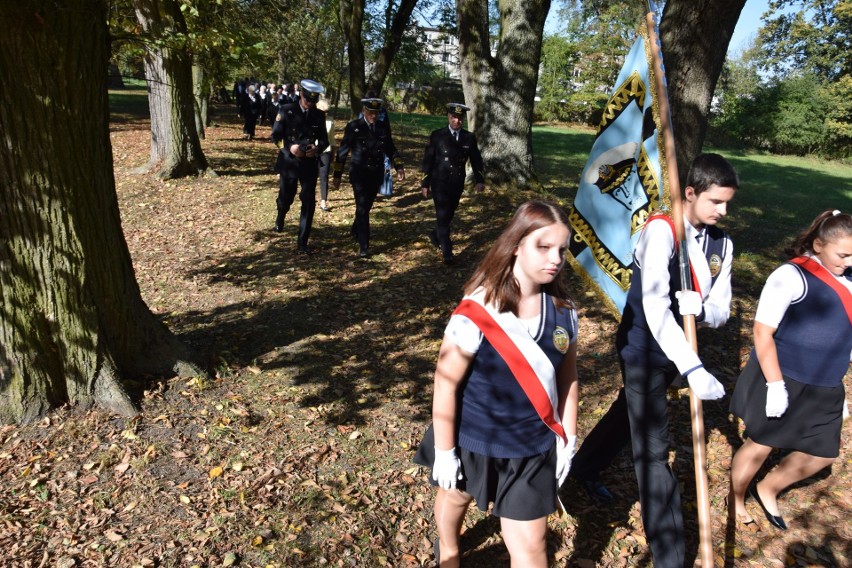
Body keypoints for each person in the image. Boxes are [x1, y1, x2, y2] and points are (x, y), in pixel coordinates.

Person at [569, 153, 738, 567]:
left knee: (632, 411)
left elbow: (723, 308)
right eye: (716, 201)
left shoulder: (722, 244)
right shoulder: (661, 232)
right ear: (691, 192)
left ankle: (585, 466)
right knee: (653, 450)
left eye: (728, 203)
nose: (724, 211)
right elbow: (656, 309)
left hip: (680, 353)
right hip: (644, 347)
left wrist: (701, 307)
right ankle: (671, 556)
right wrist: (693, 367)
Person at [413, 200, 580, 568]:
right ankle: (450, 548)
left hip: (531, 448)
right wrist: (444, 450)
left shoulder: (565, 311)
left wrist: (568, 437)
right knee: (456, 498)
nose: (555, 258)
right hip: (474, 438)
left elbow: (567, 379)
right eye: (543, 246)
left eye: (562, 250)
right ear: (516, 244)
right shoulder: (478, 308)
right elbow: (446, 381)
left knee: (532, 546)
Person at [729, 210, 852, 532]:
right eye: (843, 254)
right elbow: (762, 332)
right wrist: (775, 386)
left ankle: (768, 487)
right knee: (761, 444)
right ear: (818, 244)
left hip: (826, 382)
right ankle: (736, 500)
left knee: (823, 454)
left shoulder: (850, 278)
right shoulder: (791, 275)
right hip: (783, 377)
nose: (849, 262)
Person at [333, 98, 405, 257]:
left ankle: (355, 227)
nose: (373, 115)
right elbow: (342, 153)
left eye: (376, 113)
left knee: (366, 206)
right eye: (371, 112)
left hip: (376, 174)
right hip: (359, 174)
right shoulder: (354, 127)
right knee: (362, 207)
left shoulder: (382, 128)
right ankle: (364, 246)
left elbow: (391, 149)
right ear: (363, 111)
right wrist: (337, 175)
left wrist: (399, 166)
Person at [420, 103, 485, 264]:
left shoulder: (468, 137)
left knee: (449, 213)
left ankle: (436, 235)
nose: (457, 121)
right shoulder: (437, 135)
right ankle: (447, 252)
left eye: (459, 118)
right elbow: (428, 160)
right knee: (442, 215)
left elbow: (476, 160)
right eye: (454, 117)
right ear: (448, 117)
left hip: (457, 182)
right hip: (439, 182)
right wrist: (425, 182)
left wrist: (480, 180)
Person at [271, 79, 330, 255]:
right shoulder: (286, 110)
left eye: (314, 101)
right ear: (301, 94)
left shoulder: (318, 115)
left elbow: (325, 140)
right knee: (286, 198)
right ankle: (281, 215)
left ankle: (302, 240)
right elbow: (275, 136)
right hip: (290, 162)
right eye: (308, 100)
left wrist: (317, 149)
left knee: (309, 202)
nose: (310, 104)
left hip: (309, 164)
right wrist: (290, 147)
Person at [316, 98, 335, 212]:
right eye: (324, 111)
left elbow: (332, 139)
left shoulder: (330, 121)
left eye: (327, 111)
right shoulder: (312, 119)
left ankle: (323, 200)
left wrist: (333, 152)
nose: (325, 113)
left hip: (326, 151)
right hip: (312, 150)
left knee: (324, 176)